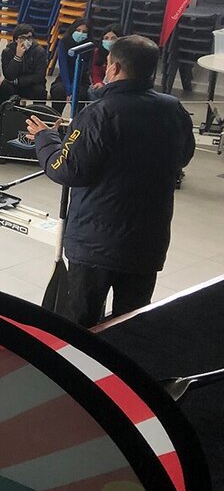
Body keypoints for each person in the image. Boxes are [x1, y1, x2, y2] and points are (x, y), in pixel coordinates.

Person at [26, 35, 195, 326]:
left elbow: (65, 169)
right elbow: (183, 156)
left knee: (80, 326)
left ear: (114, 68)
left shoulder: (99, 114)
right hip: (147, 241)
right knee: (132, 324)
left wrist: (45, 138)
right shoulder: (173, 109)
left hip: (96, 243)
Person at [50, 18, 92, 114]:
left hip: (81, 80)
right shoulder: (64, 42)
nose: (80, 33)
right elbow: (63, 67)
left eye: (84, 32)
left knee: (80, 94)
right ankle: (56, 117)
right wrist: (69, 90)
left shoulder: (89, 46)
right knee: (58, 90)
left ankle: (77, 120)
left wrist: (74, 89)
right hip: (64, 78)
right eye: (78, 30)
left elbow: (82, 69)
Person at [0, 24, 49, 103]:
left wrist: (19, 81)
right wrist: (17, 57)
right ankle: (5, 110)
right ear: (16, 39)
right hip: (13, 85)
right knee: (4, 87)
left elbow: (40, 76)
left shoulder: (39, 52)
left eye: (29, 38)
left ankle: (38, 111)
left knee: (40, 91)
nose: (26, 41)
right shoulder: (8, 51)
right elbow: (9, 75)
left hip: (31, 85)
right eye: (22, 38)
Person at [90, 25, 122, 99]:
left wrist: (106, 85)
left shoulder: (124, 55)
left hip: (117, 86)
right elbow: (95, 70)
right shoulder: (98, 52)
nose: (109, 41)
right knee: (91, 91)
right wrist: (98, 82)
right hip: (103, 84)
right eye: (106, 38)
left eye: (113, 38)